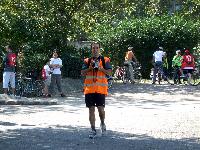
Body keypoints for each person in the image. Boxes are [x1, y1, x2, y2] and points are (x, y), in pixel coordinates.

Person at [81, 42, 112, 139]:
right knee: (91, 110)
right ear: (91, 49)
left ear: (99, 49)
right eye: (93, 48)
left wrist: (101, 68)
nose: (95, 49)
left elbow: (110, 72)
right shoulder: (87, 60)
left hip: (100, 90)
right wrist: (90, 68)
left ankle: (102, 123)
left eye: (97, 48)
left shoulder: (105, 60)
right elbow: (82, 73)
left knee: (101, 110)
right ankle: (93, 129)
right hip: (89, 89)